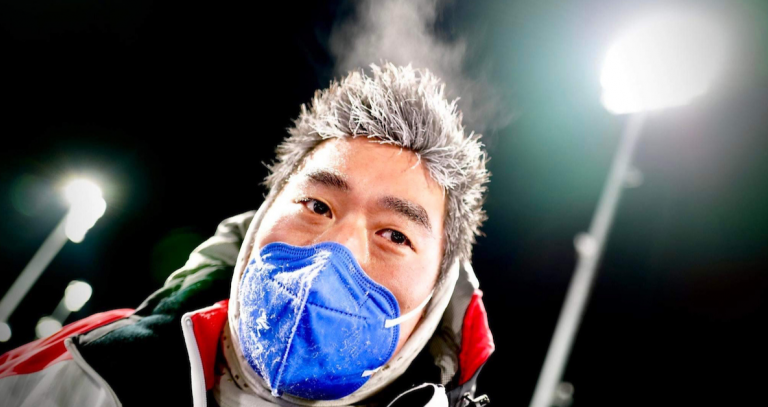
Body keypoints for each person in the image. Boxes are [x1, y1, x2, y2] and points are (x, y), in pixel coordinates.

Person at [0, 63, 494, 407]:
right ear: (261, 218)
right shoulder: (81, 369)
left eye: (394, 234)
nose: (336, 249)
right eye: (317, 205)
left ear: (435, 295)